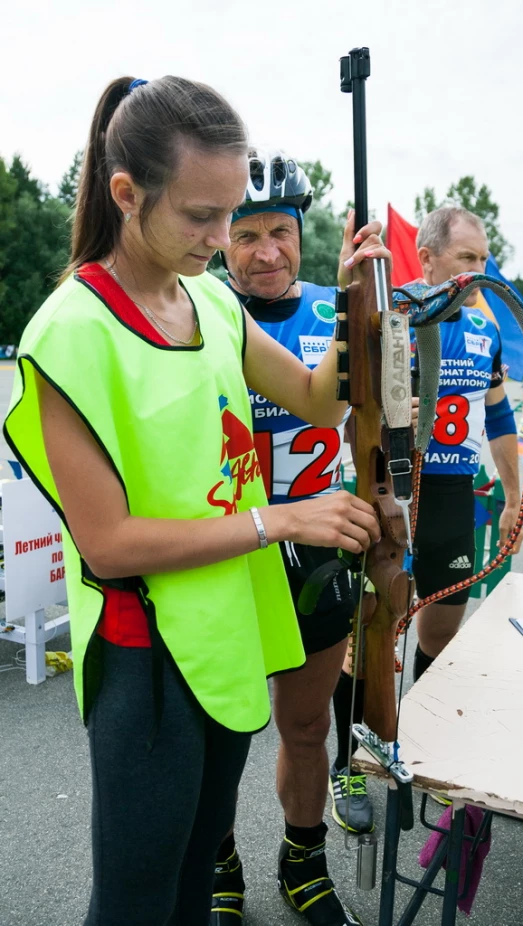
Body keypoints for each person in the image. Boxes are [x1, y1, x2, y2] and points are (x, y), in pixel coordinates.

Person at [3, 77, 382, 926]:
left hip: (228, 633)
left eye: (235, 212)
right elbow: (107, 545)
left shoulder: (208, 298)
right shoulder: (71, 331)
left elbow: (320, 399)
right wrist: (279, 520)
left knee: (192, 885)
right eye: (201, 217)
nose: (224, 240)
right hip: (146, 659)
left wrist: (356, 298)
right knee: (138, 900)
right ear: (128, 195)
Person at [209, 149, 373, 926]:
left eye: (281, 231)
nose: (267, 251)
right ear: (219, 238)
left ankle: (301, 856)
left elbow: (359, 416)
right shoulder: (196, 312)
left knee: (306, 725)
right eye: (247, 235)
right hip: (225, 547)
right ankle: (218, 857)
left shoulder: (330, 306)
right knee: (215, 733)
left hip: (315, 551)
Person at [331, 204, 523, 813]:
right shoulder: (394, 311)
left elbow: (496, 413)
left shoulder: (485, 326)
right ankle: (349, 762)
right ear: (432, 257)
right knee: (367, 634)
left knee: (441, 635)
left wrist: (515, 492)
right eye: (467, 258)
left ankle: (415, 744)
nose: (479, 271)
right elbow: (339, 401)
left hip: (453, 493)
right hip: (386, 488)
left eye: (485, 260)